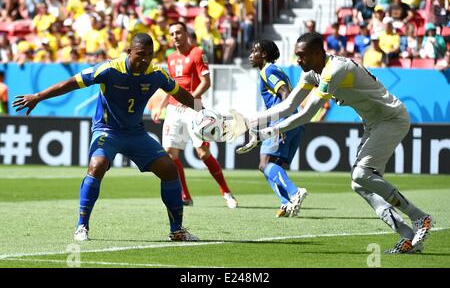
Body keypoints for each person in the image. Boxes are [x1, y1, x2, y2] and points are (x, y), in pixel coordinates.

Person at [236, 32, 433, 254]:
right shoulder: (311, 73)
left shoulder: (335, 70)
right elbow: (288, 105)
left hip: (392, 119)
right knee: (359, 184)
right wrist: (249, 121)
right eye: (297, 55)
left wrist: (268, 131)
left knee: (361, 174)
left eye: (302, 55)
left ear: (318, 53)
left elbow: (307, 113)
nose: (298, 60)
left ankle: (420, 218)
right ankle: (407, 236)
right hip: (372, 123)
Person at [13, 33, 200, 242]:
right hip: (107, 131)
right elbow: (71, 83)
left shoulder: (156, 74)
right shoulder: (109, 69)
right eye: (140, 55)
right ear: (129, 52)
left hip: (136, 133)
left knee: (169, 169)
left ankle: (177, 231)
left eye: (149, 55)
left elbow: (181, 94)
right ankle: (82, 226)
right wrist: (38, 97)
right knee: (97, 164)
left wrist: (203, 110)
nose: (145, 60)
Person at [151, 21, 238, 208]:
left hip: (194, 105)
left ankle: (226, 192)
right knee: (170, 154)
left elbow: (206, 82)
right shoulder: (171, 57)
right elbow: (171, 86)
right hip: (174, 108)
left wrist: (189, 99)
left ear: (186, 34)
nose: (175, 36)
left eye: (178, 33)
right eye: (172, 33)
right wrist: (160, 106)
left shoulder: (197, 52)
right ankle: (185, 196)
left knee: (202, 152)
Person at [246, 39, 308, 217]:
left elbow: (285, 94)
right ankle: (286, 203)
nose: (251, 55)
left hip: (283, 122)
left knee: (264, 164)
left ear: (264, 54)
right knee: (275, 165)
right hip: (295, 121)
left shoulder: (268, 70)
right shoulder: (276, 71)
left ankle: (294, 193)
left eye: (254, 51)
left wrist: (281, 124)